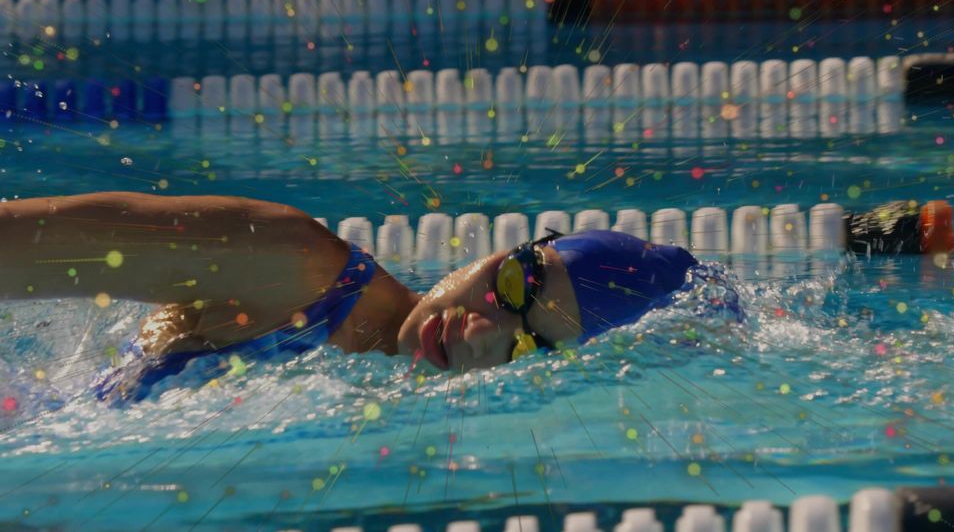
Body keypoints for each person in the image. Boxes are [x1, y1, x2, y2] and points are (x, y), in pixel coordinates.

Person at [0, 192, 701, 402]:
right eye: (514, 284)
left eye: (526, 342)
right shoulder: (290, 263)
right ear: (500, 252)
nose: (479, 328)